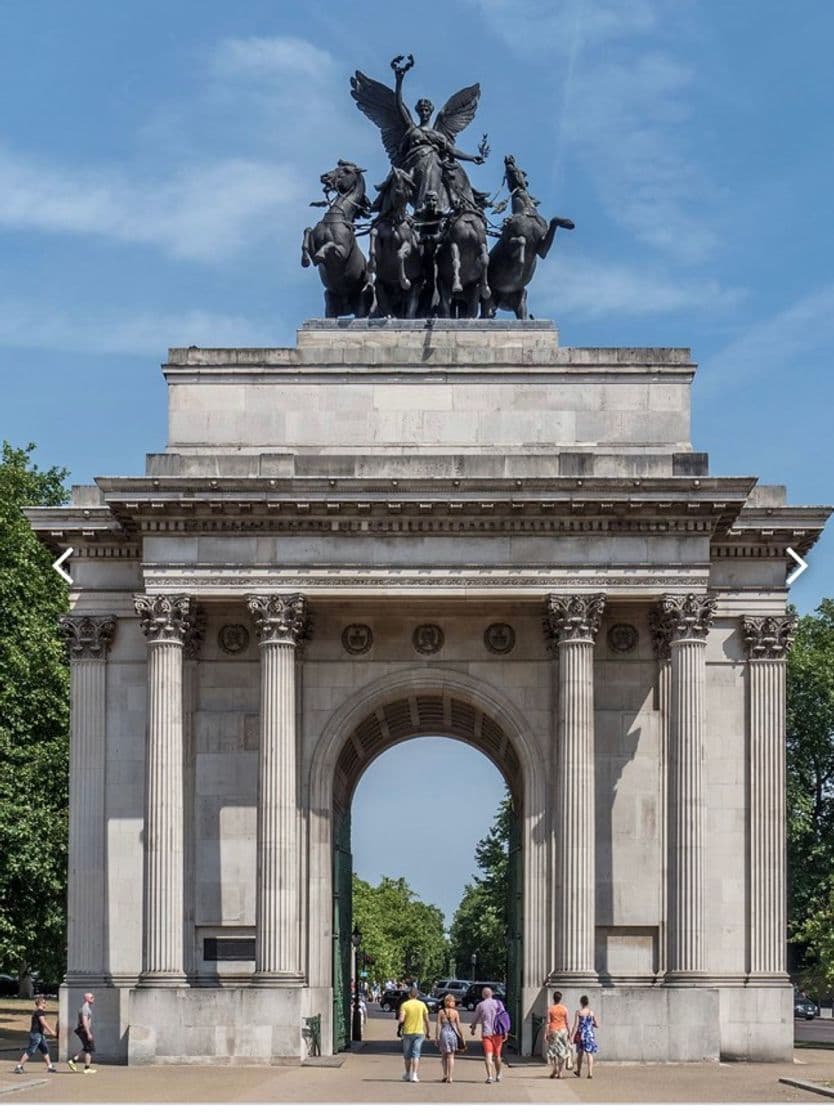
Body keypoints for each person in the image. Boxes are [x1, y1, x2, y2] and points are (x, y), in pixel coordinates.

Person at [469, 985, 506, 1084]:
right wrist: (505, 1031)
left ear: (483, 995)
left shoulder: (480, 1005)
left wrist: (473, 1028)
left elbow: (475, 1019)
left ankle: (489, 1076)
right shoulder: (499, 1003)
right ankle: (498, 1074)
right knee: (497, 1055)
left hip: (486, 1033)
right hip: (498, 1032)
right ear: (492, 994)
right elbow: (503, 1018)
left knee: (488, 1055)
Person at [13, 995, 57, 1074]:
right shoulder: (40, 1012)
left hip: (39, 1034)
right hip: (36, 1034)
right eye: (44, 1003)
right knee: (31, 1050)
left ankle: (50, 1066)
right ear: (40, 1003)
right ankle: (19, 1066)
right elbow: (43, 1022)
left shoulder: (36, 1011)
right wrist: (51, 1031)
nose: (45, 1004)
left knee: (45, 1049)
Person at [398, 986, 430, 1083]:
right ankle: (415, 1075)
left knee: (407, 1055)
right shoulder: (422, 1005)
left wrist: (400, 1022)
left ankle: (407, 1073)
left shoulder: (405, 1005)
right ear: (417, 995)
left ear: (409, 995)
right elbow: (427, 1020)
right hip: (419, 1032)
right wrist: (428, 1031)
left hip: (407, 1032)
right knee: (416, 1054)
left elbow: (401, 1020)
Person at [435, 994, 465, 1083]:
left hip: (444, 1033)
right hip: (452, 1034)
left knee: (444, 1056)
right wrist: (462, 1036)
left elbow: (438, 1025)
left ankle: (445, 1074)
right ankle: (450, 1076)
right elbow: (458, 1026)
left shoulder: (441, 1012)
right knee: (451, 1056)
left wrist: (437, 1037)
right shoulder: (455, 1013)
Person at [68, 991, 97, 1073]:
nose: (93, 999)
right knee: (89, 1049)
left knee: (87, 1048)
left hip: (84, 1030)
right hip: (84, 1030)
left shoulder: (86, 1008)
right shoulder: (85, 1008)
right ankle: (87, 1068)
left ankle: (74, 1060)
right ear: (87, 999)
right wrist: (88, 1033)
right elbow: (84, 1022)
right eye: (91, 997)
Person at [545, 990, 571, 1079]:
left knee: (553, 1051)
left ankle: (555, 1068)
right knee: (562, 1052)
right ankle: (560, 1072)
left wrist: (546, 1033)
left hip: (553, 1030)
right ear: (560, 999)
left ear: (554, 999)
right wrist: (570, 1033)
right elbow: (567, 1022)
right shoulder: (564, 1008)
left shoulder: (550, 1009)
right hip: (563, 1031)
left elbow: (548, 1022)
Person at [572, 994, 599, 1079]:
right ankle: (590, 1073)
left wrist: (572, 1035)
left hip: (581, 1034)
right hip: (589, 1034)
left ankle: (579, 1071)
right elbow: (597, 1024)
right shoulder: (591, 1012)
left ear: (581, 1003)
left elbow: (575, 1025)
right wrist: (591, 1024)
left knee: (580, 1053)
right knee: (589, 1053)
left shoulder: (578, 1012)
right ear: (588, 1003)